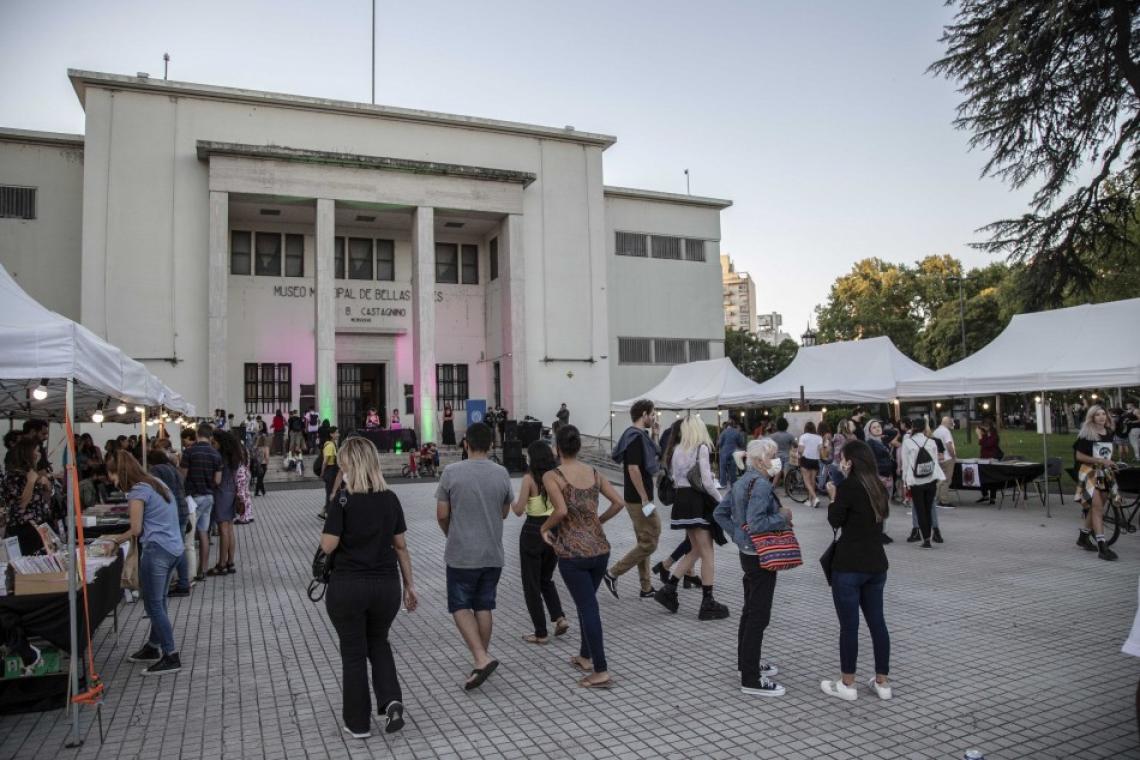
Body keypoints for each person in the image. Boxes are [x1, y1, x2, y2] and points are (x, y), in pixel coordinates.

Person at [320, 436, 418, 737]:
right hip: (385, 585)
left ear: (350, 464)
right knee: (378, 641)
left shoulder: (344, 500)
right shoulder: (390, 498)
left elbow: (328, 545)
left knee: (353, 652)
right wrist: (409, 586)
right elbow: (401, 546)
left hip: (348, 585)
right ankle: (391, 700)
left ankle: (358, 722)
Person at [540, 424, 625, 688]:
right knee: (586, 602)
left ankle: (600, 670)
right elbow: (619, 502)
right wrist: (597, 521)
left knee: (588, 607)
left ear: (557, 448)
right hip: (600, 550)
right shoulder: (594, 471)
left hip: (573, 554)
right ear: (578, 447)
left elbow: (561, 510)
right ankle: (585, 656)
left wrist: (544, 528)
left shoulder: (552, 476)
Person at [435, 422, 512, 690]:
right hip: (492, 552)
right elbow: (504, 512)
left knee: (459, 605)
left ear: (465, 443)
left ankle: (480, 657)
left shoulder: (451, 472)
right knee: (483, 605)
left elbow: (442, 514)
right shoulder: (502, 473)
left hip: (461, 553)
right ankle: (482, 657)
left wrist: (452, 533)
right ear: (491, 444)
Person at [714, 438, 789, 697]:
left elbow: (720, 513)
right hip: (761, 555)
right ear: (759, 461)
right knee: (759, 614)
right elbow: (757, 523)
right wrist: (783, 517)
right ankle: (750, 678)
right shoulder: (760, 485)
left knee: (750, 611)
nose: (776, 460)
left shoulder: (741, 482)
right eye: (772, 456)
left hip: (748, 554)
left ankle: (746, 663)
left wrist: (738, 536)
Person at [820, 440, 892, 702]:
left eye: (843, 458)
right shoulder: (878, 486)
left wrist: (832, 497)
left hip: (849, 565)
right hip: (876, 564)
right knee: (877, 623)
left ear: (850, 461)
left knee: (849, 627)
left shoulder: (848, 487)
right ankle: (882, 681)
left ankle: (847, 682)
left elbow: (835, 520)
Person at [107, 451, 186, 676]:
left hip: (157, 550)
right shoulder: (154, 482)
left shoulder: (138, 490)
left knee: (153, 605)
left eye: (111, 476)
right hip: (173, 548)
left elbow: (136, 528)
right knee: (158, 601)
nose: (112, 481)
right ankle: (153, 646)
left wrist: (115, 540)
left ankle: (171, 655)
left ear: (119, 473)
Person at [654, 416, 730, 620]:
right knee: (707, 552)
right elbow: (706, 481)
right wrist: (721, 500)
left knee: (695, 548)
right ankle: (708, 602)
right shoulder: (701, 447)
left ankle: (669, 589)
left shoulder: (677, 449)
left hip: (682, 500)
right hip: (698, 502)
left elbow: (675, 477)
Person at [510, 440, 569, 644]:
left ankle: (540, 632)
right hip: (554, 530)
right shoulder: (556, 476)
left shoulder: (529, 479)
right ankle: (559, 617)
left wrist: (509, 500)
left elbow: (518, 511)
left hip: (533, 531)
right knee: (546, 578)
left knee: (531, 584)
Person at [603, 399, 661, 599]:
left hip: (637, 497)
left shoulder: (639, 436)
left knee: (643, 541)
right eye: (652, 414)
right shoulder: (635, 438)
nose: (654, 418)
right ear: (644, 414)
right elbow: (633, 469)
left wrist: (655, 435)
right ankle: (612, 573)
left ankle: (646, 588)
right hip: (639, 499)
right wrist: (645, 498)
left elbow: (651, 457)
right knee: (651, 540)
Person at [651, 419, 700, 589]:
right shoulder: (682, 450)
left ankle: (688, 572)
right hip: (689, 497)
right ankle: (667, 566)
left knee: (692, 539)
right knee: (696, 541)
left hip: (681, 497)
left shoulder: (673, 447)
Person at [1074, 405, 1121, 561]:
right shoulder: (1087, 434)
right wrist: (1099, 460)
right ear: (1091, 417)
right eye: (1097, 415)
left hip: (1105, 473)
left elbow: (1107, 453)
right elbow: (1079, 456)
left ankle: (1083, 537)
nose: (1101, 417)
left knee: (1097, 508)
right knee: (1098, 508)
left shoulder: (1109, 433)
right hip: (1090, 473)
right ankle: (1102, 546)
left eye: (1103, 414)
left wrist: (1110, 462)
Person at [146, 449, 191, 597]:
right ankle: (183, 581)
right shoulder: (173, 468)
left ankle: (183, 583)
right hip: (183, 509)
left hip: (174, 512)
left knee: (178, 548)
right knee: (180, 547)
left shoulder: (157, 470)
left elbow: (154, 490)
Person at [180, 426, 221, 582]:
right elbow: (217, 480)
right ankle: (202, 569)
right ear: (210, 437)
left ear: (197, 435)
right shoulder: (215, 454)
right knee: (204, 532)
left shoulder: (189, 452)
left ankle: (188, 574)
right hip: (209, 497)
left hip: (192, 498)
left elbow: (182, 475)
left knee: (188, 538)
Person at [2, 438, 56, 555]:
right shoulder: (13, 476)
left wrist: (47, 485)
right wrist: (30, 482)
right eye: (36, 451)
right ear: (28, 453)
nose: (39, 454)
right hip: (23, 530)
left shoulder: (32, 473)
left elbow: (45, 500)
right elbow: (21, 505)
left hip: (39, 527)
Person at [899, 418, 944, 549]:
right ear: (925, 428)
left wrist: (905, 482)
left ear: (912, 427)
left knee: (920, 510)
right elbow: (935, 461)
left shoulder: (907, 443)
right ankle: (931, 535)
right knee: (929, 508)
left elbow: (905, 464)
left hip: (915, 481)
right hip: (930, 480)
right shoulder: (931, 442)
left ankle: (926, 539)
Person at [207, 430, 241, 575]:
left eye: (214, 442)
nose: (212, 445)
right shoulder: (233, 456)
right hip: (232, 491)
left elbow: (217, 479)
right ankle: (230, 562)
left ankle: (221, 564)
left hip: (221, 492)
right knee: (229, 528)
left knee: (223, 529)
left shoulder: (220, 457)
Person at [932, 415, 957, 508]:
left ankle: (936, 498)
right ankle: (944, 500)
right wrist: (953, 456)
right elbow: (949, 445)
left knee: (940, 479)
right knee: (946, 480)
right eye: (951, 423)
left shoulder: (936, 431)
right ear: (947, 422)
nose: (952, 424)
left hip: (938, 458)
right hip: (947, 458)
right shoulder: (946, 432)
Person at [797, 421, 824, 508]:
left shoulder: (803, 437)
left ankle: (815, 498)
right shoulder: (819, 437)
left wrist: (798, 456)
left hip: (806, 459)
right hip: (815, 460)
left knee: (807, 481)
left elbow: (800, 450)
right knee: (812, 481)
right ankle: (810, 501)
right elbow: (820, 449)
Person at [976, 418, 1001, 504]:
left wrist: (980, 436)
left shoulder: (994, 435)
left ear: (988, 426)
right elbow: (982, 443)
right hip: (983, 458)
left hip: (992, 458)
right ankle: (985, 495)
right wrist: (981, 435)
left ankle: (993, 497)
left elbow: (987, 444)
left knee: (991, 477)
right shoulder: (986, 434)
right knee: (981, 476)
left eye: (984, 426)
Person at [766, 418, 796, 487]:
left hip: (777, 456)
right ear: (786, 425)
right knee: (786, 473)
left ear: (777, 426)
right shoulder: (790, 436)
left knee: (777, 473)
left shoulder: (773, 436)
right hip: (787, 456)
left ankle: (772, 486)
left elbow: (768, 445)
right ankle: (786, 490)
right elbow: (795, 445)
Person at [717, 420, 746, 489]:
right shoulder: (737, 432)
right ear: (734, 425)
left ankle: (723, 484)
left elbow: (719, 443)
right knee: (732, 469)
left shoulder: (723, 432)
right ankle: (733, 484)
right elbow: (741, 443)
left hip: (724, 453)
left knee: (723, 469)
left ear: (727, 425)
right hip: (734, 452)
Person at [234, 445, 253, 525]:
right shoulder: (246, 450)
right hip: (246, 471)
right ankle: (249, 515)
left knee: (242, 495)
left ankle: (244, 517)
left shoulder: (240, 452)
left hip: (241, 472)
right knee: (246, 494)